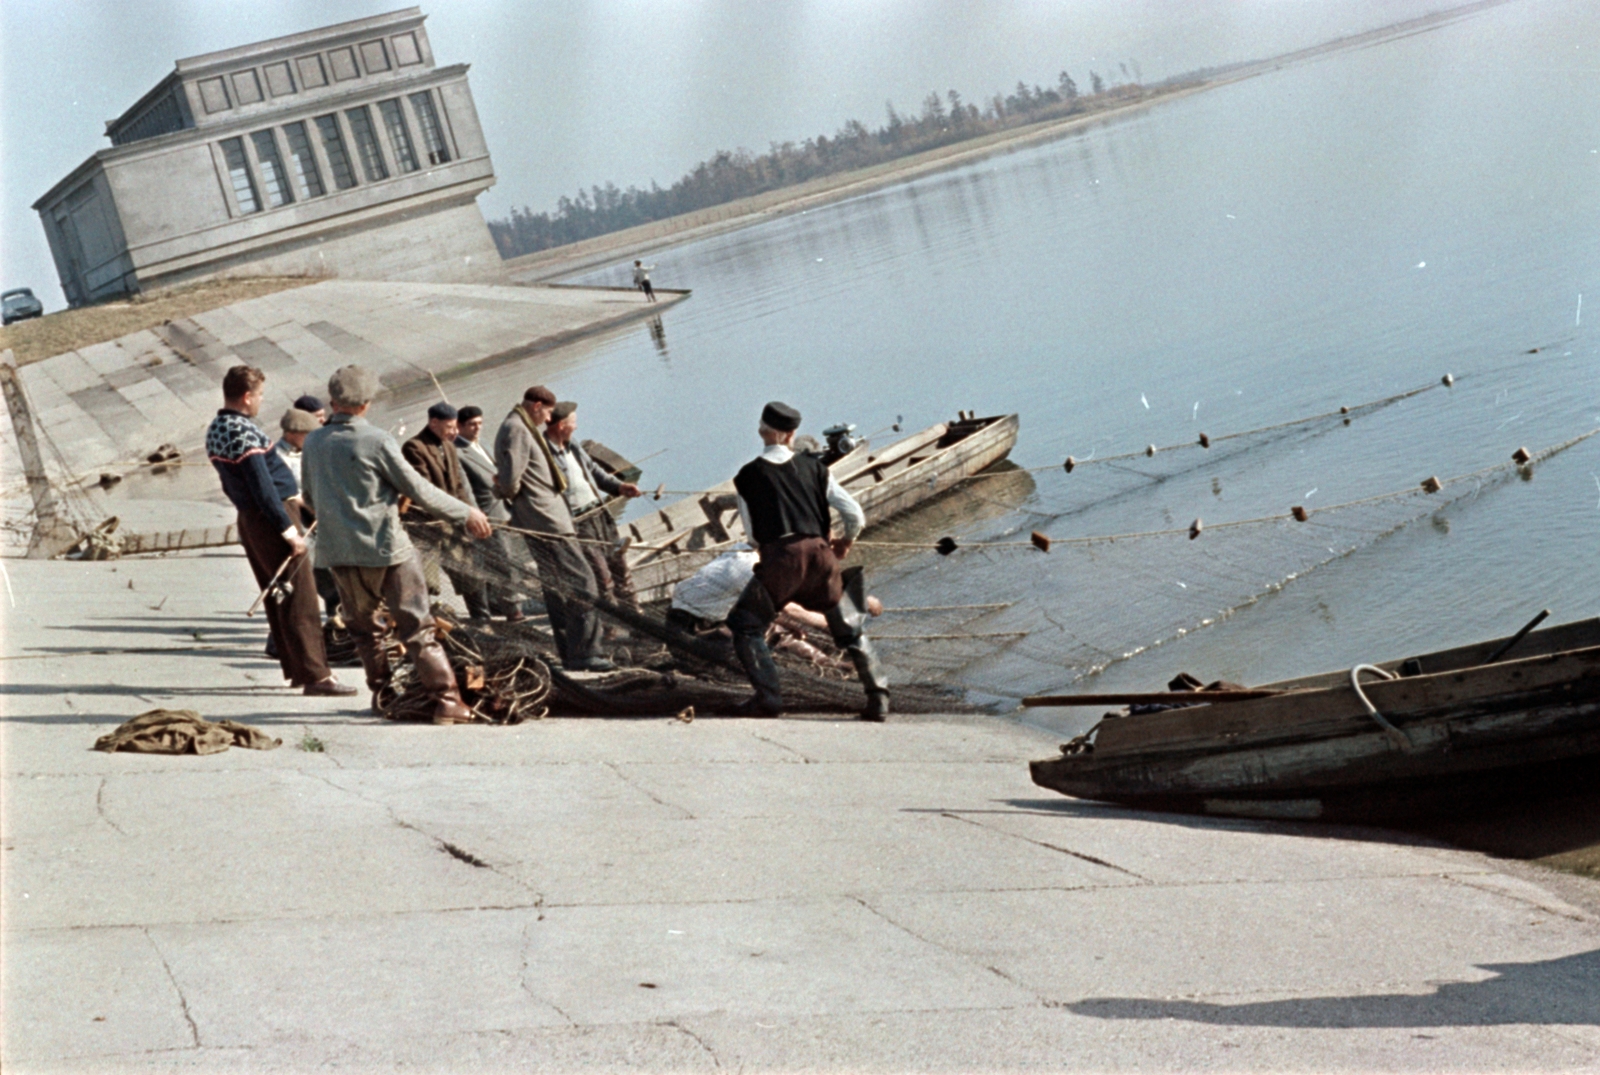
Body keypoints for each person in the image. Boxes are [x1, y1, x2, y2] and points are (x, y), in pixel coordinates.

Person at [300, 365, 492, 724]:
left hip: (339, 553)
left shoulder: (313, 441)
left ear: (334, 402)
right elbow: (419, 490)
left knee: (364, 631)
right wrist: (466, 512)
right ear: (366, 404)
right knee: (417, 627)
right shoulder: (377, 440)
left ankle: (383, 695)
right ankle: (448, 702)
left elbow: (309, 498)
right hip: (386, 549)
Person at [727, 401, 889, 720]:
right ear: (792, 435)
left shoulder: (746, 476)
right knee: (849, 626)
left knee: (744, 624)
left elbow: (754, 538)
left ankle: (769, 698)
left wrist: (778, 551)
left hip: (781, 560)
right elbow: (855, 514)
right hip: (821, 555)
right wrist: (843, 544)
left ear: (761, 431)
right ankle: (879, 699)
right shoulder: (817, 468)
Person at [204, 365, 353, 698]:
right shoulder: (242, 430)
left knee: (280, 598)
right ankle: (317, 677)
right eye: (259, 396)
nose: (260, 402)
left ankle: (299, 670)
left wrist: (298, 502)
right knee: (299, 599)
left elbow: (241, 485)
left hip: (251, 517)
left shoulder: (217, 427)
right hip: (271, 517)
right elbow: (261, 485)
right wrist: (288, 530)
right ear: (246, 396)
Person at [492, 385, 614, 672]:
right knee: (584, 583)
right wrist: (503, 492)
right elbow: (510, 481)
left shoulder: (518, 425)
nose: (548, 419)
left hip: (542, 519)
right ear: (536, 406)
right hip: (547, 520)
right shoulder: (517, 428)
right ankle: (586, 653)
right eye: (547, 412)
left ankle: (570, 653)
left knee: (557, 588)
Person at [668, 543, 882, 668]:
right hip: (693, 632)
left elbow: (767, 603)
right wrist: (838, 626)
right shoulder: (749, 568)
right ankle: (831, 667)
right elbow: (792, 609)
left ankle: (827, 662)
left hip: (694, 617)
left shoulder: (741, 550)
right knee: (768, 632)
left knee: (772, 625)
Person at [544, 401, 643, 612]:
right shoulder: (542, 453)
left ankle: (637, 617)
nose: (577, 427)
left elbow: (595, 472)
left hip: (600, 515)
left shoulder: (573, 444)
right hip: (579, 524)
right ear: (561, 425)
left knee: (620, 569)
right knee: (601, 577)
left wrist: (619, 487)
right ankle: (612, 629)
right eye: (573, 422)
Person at [401, 402, 487, 619]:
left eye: (455, 427)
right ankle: (429, 625)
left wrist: (469, 513)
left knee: (470, 576)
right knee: (426, 584)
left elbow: (458, 486)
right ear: (433, 423)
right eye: (449, 427)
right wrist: (456, 511)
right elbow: (425, 490)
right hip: (427, 528)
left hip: (453, 525)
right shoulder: (414, 447)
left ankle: (483, 621)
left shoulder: (449, 446)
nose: (455, 432)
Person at [455, 405, 526, 622]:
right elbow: (465, 490)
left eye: (480, 423)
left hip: (503, 511)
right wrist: (478, 518)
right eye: (471, 425)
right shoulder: (458, 452)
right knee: (503, 564)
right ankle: (514, 611)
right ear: (459, 426)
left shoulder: (481, 445)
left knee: (509, 559)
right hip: (487, 516)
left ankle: (501, 605)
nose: (477, 428)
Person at [274, 407, 342, 621]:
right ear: (292, 433)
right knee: (306, 573)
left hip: (317, 520)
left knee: (329, 568)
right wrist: (310, 505)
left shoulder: (307, 452)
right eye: (308, 435)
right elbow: (289, 494)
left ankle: (336, 614)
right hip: (296, 522)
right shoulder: (277, 457)